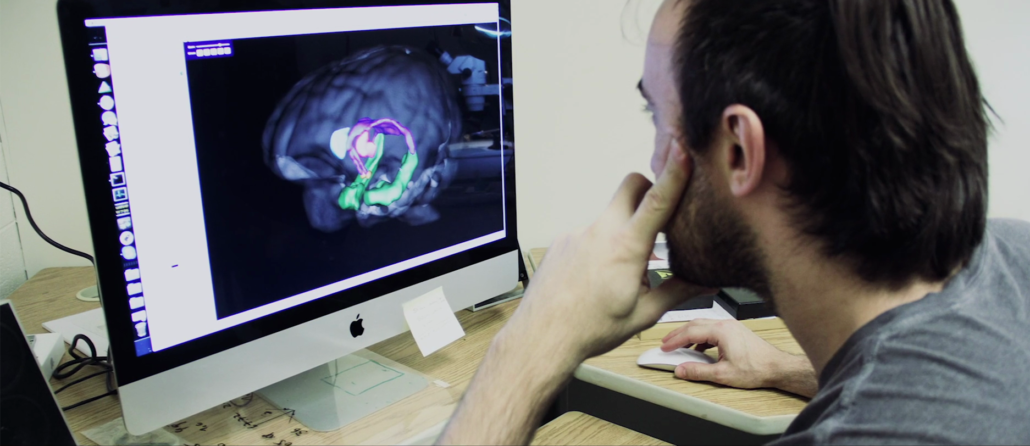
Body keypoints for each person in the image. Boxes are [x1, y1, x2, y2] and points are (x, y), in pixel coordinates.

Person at [439, 0, 1030, 444]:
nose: (651, 164)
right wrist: (787, 369)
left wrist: (536, 342)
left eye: (657, 114)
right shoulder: (1011, 255)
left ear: (740, 152)